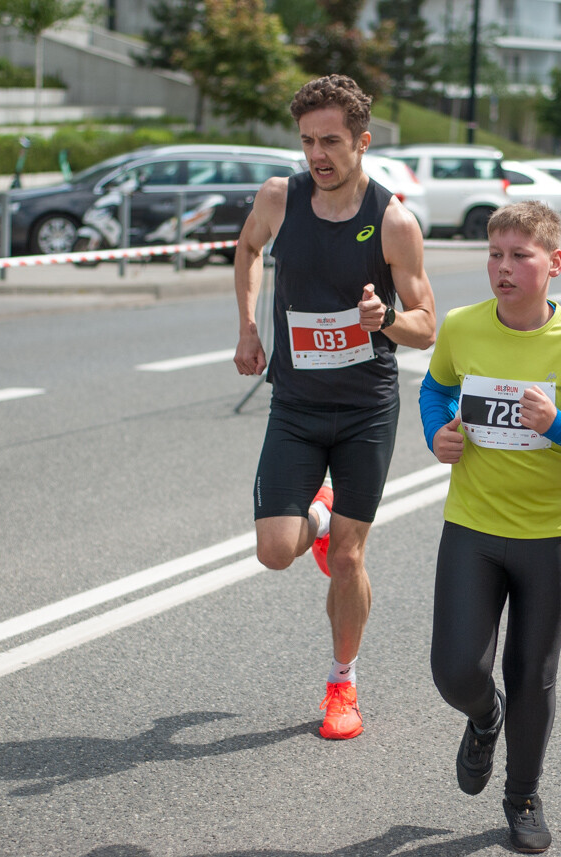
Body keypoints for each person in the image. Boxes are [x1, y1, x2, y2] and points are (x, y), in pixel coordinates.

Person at [232, 74, 436, 740]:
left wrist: (385, 321)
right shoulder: (279, 199)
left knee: (349, 559)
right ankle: (316, 513)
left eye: (331, 142)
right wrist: (248, 326)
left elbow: (428, 325)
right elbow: (247, 249)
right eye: (307, 141)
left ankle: (342, 681)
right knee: (273, 550)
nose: (317, 155)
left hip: (364, 410)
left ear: (362, 142)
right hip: (295, 403)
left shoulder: (393, 221)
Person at [419, 201, 561, 853]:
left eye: (519, 256)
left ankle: (523, 795)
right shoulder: (461, 326)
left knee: (533, 671)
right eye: (494, 254)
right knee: (457, 670)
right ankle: (484, 718)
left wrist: (557, 424)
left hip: (552, 534)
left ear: (554, 263)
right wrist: (436, 432)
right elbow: (433, 390)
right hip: (473, 526)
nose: (503, 268)